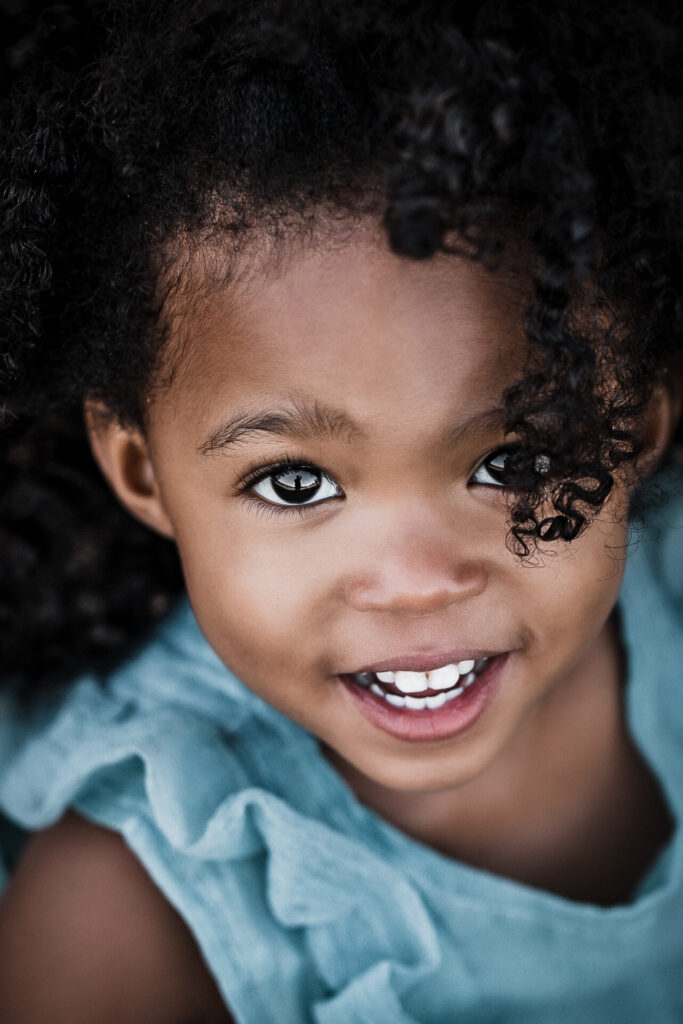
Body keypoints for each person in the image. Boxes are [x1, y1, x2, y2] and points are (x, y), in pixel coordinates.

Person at [0, 1, 682, 1021]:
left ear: (638, 424)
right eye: (293, 483)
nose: (415, 581)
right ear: (141, 471)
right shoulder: (126, 911)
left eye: (514, 456)